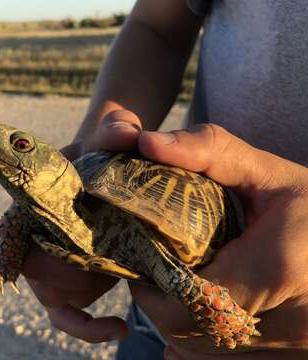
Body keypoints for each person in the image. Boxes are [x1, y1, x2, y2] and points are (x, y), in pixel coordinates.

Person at [21, 0, 308, 358]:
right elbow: (156, 26)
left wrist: (221, 316)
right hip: (159, 320)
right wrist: (99, 139)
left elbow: (182, 281)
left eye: (21, 147)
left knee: (185, 289)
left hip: (234, 302)